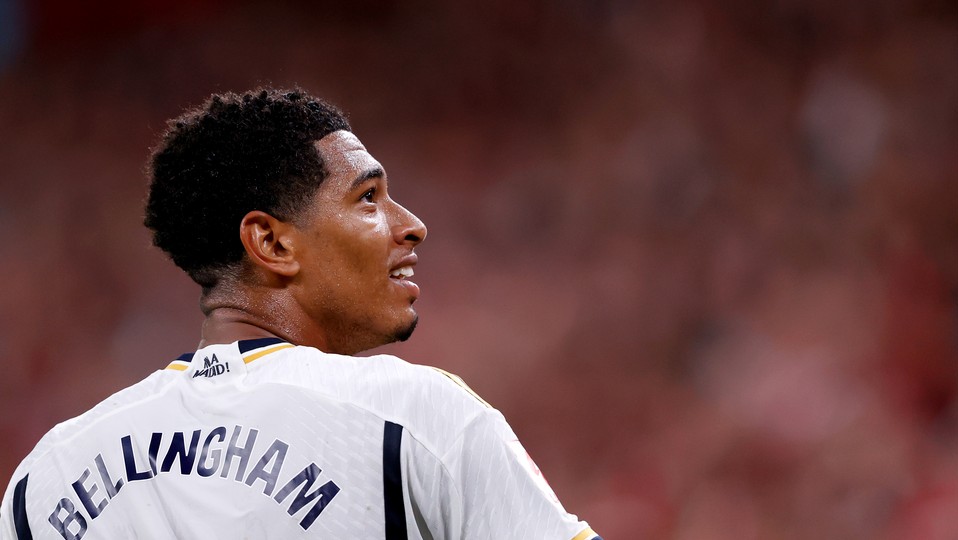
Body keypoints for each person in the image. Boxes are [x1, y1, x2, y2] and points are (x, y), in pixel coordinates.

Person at [0, 88, 600, 539]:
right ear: (273, 243)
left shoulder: (45, 478)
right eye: (368, 198)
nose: (411, 226)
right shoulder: (408, 415)